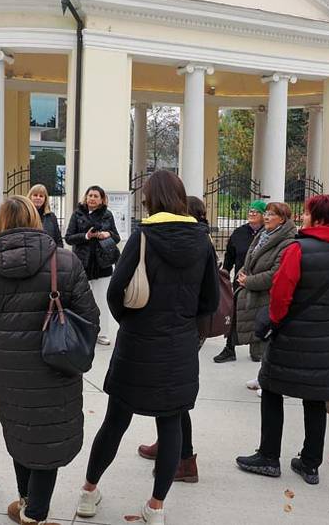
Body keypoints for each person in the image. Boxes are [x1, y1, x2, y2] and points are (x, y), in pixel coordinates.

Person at [76, 171, 219, 525]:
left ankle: (88, 492)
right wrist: (185, 323)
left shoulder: (143, 236)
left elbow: (115, 292)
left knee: (115, 421)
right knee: (170, 425)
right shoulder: (203, 241)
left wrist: (132, 323)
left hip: (138, 344)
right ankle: (156, 507)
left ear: (150, 199)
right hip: (179, 346)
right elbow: (211, 299)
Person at [0, 195, 99, 525]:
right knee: (48, 439)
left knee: (22, 434)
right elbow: (89, 318)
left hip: (11, 372)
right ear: (35, 220)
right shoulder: (65, 262)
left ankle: (27, 501)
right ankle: (35, 515)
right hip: (56, 367)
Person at [236, 194, 329, 486]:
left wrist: (274, 323)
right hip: (328, 338)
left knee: (273, 392)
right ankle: (310, 463)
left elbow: (281, 295)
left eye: (306, 213)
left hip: (291, 336)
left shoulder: (297, 250)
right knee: (315, 401)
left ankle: (268, 456)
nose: (302, 217)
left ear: (317, 218)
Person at [134, 194, 210, 485]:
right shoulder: (195, 240)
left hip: (179, 329)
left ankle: (185, 459)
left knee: (175, 399)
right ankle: (167, 445)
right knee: (169, 395)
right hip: (181, 328)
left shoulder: (194, 242)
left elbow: (208, 294)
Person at [236, 202, 298, 394]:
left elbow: (275, 274)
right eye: (267, 213)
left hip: (269, 297)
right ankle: (263, 375)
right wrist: (241, 274)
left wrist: (249, 281)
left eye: (272, 214)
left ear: (283, 219)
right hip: (256, 296)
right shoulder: (264, 235)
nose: (267, 217)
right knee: (262, 341)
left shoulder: (287, 241)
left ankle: (273, 381)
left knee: (271, 342)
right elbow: (249, 261)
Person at [65, 185, 121, 346]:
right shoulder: (77, 214)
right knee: (80, 300)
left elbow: (116, 237)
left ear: (102, 199)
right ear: (86, 197)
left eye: (96, 196)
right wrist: (86, 236)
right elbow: (68, 238)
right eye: (90, 195)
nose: (92, 198)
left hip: (102, 264)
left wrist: (107, 234)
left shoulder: (107, 215)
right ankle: (81, 332)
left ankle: (102, 333)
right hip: (82, 264)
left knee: (102, 301)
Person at [214, 200, 266, 363]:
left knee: (258, 316)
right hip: (240, 283)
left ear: (264, 216)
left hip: (259, 283)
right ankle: (230, 349)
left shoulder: (268, 234)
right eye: (250, 210)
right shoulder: (239, 233)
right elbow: (229, 258)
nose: (251, 213)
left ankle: (256, 351)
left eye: (255, 211)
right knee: (234, 315)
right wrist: (224, 276)